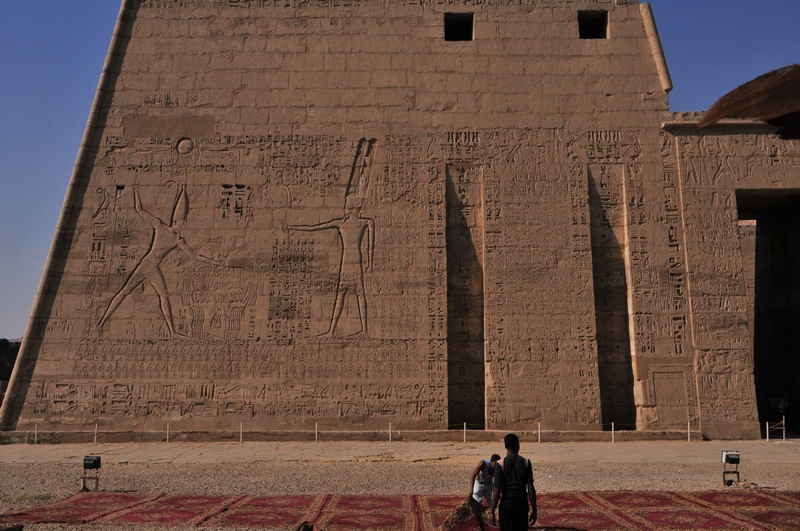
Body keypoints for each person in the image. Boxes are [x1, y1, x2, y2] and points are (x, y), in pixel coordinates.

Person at [490, 433, 537, 530]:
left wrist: (492, 511)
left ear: (505, 446)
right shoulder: (526, 462)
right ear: (517, 445)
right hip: (521, 503)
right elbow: (531, 488)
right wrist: (534, 509)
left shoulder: (500, 464)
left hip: (507, 504)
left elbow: (497, 490)